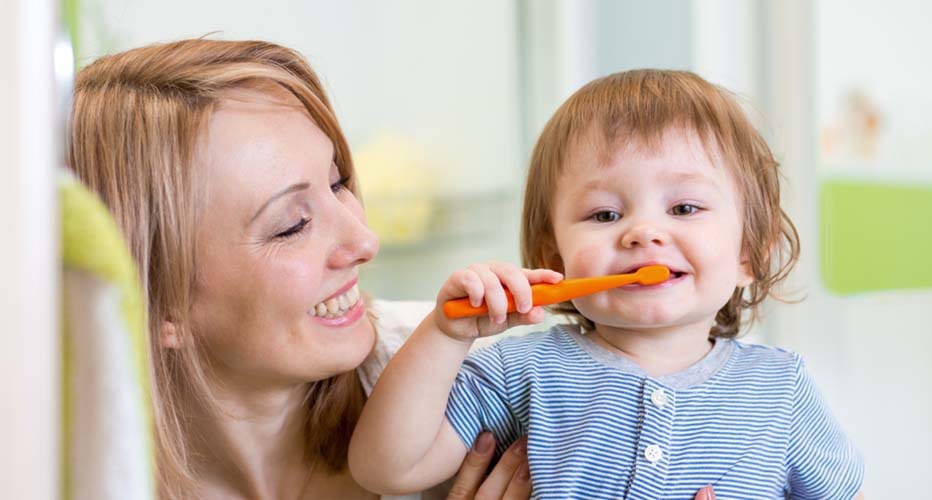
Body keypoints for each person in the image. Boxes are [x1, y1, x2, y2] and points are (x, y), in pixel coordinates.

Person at [349, 70, 866, 499]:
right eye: (604, 214)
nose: (643, 232)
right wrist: (446, 334)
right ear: (556, 258)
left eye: (684, 207)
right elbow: (386, 468)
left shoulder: (780, 390)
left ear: (747, 254)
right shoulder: (519, 372)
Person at [67, 38, 532, 499]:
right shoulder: (73, 473)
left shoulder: (476, 391)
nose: (365, 242)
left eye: (338, 182)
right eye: (293, 225)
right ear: (161, 304)